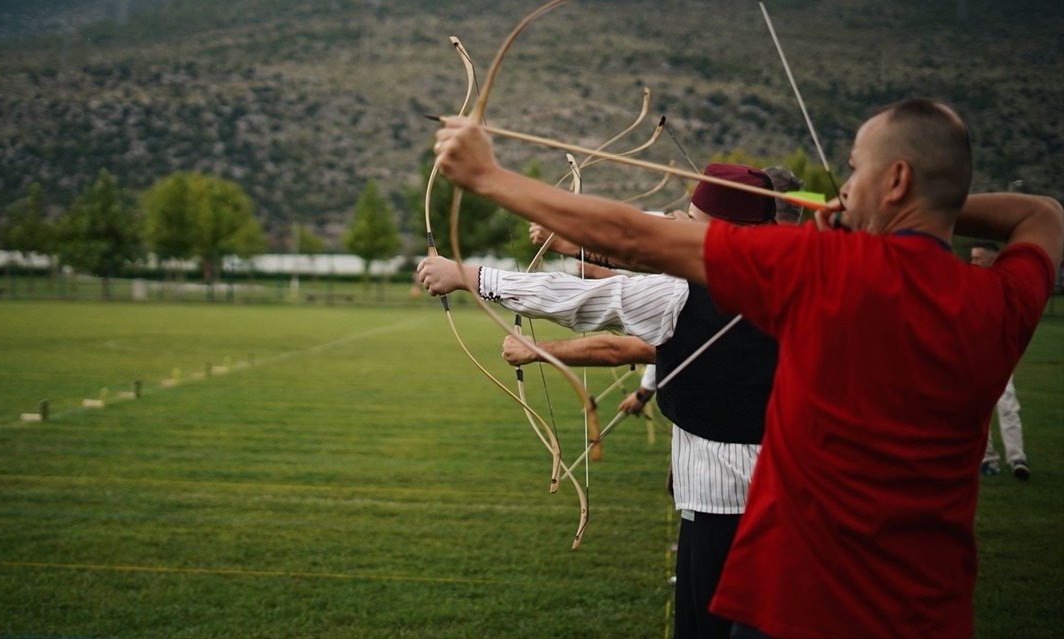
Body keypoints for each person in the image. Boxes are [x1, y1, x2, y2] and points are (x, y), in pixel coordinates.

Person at [430, 98, 1063, 638]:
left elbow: (635, 237)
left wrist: (486, 176)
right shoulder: (1001, 302)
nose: (841, 190)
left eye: (852, 173)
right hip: (931, 609)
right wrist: (930, 205)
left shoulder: (825, 268)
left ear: (895, 181)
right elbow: (1044, 215)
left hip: (800, 602)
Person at [419, 163, 785, 639]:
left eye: (693, 223)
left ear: (724, 233)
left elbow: (580, 299)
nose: (680, 228)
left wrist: (469, 276)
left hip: (723, 499)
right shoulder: (795, 276)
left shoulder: (683, 292)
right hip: (778, 487)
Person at [971, 241, 1031, 480]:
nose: (972, 262)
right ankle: (987, 459)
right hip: (972, 357)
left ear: (992, 260)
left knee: (1007, 404)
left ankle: (1017, 458)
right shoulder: (969, 284)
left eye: (977, 258)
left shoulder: (1004, 286)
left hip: (1000, 356)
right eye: (972, 257)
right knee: (978, 408)